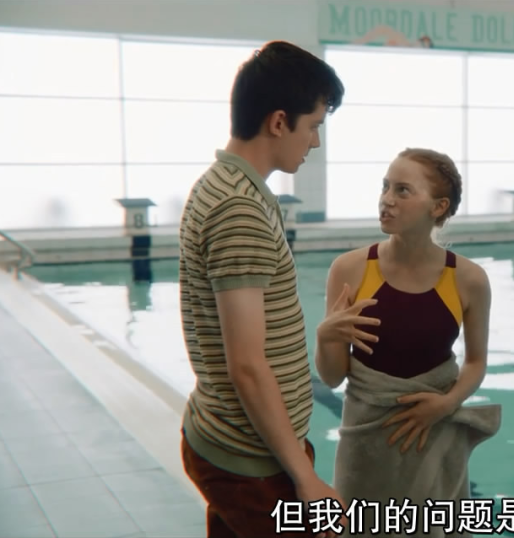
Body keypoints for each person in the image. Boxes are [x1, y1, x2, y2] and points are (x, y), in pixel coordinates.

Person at [177, 40, 350, 538]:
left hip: (233, 439)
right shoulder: (240, 210)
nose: (314, 142)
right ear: (278, 122)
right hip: (251, 460)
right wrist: (304, 476)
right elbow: (248, 366)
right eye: (313, 125)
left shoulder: (223, 184)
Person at [315, 148, 499, 535]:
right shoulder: (349, 269)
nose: (386, 199)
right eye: (385, 187)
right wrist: (324, 337)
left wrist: (445, 403)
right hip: (364, 441)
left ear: (438, 206)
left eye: (402, 190)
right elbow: (332, 377)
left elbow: (475, 363)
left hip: (433, 434)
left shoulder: (468, 279)